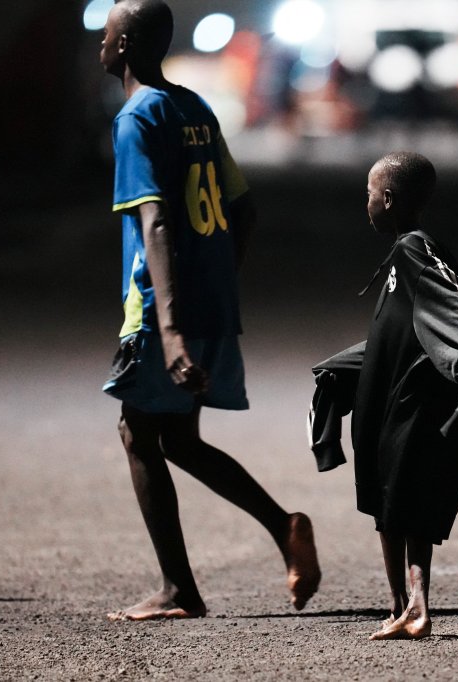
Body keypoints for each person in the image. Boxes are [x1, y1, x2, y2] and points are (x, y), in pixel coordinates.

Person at [99, 0, 320, 620]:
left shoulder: (135, 119)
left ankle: (179, 590)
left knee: (140, 434)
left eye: (108, 33)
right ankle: (284, 527)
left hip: (161, 307)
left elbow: (157, 220)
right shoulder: (194, 107)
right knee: (179, 438)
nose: (101, 43)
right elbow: (242, 207)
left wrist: (169, 332)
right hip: (210, 299)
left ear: (126, 46)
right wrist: (217, 282)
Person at [309, 152, 458, 640]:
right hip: (385, 391)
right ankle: (399, 603)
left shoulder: (420, 251)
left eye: (369, 195)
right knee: (384, 498)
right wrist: (345, 367)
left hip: (416, 397)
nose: (367, 204)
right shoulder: (401, 253)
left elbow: (453, 309)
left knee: (409, 500)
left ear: (389, 199)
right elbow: (400, 328)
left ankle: (418, 607)